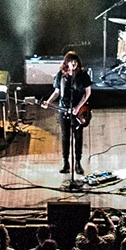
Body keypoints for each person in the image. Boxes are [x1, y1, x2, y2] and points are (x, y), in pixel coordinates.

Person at [42, 48, 95, 177]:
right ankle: (66, 163)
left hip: (78, 110)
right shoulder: (61, 75)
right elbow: (57, 92)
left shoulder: (83, 75)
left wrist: (78, 107)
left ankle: (78, 162)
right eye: (71, 62)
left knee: (78, 136)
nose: (74, 64)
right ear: (67, 63)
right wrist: (48, 102)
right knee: (66, 136)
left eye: (75, 61)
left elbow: (88, 92)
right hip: (64, 109)